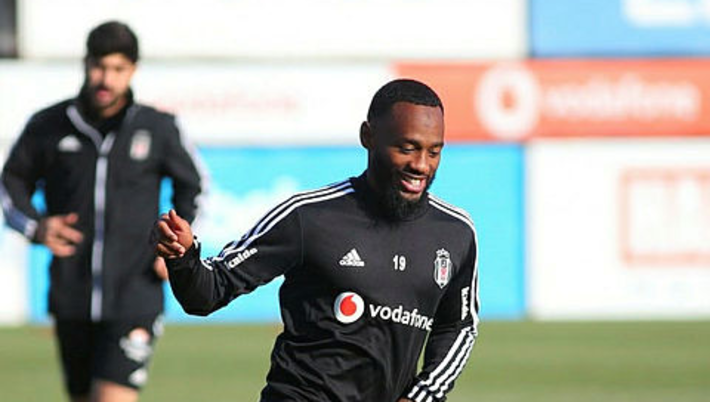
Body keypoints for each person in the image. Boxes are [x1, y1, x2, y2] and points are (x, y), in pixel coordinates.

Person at [153, 79, 478, 402]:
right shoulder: (308, 217)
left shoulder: (456, 233)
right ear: (368, 136)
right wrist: (183, 257)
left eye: (434, 152)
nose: (421, 165)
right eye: (407, 148)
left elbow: (458, 327)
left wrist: (424, 395)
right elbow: (208, 292)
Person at [0, 21, 203, 402]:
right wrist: (36, 227)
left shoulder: (158, 127)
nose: (106, 79)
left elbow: (196, 186)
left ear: (133, 70)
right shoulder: (48, 125)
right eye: (99, 66)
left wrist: (179, 246)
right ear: (85, 64)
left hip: (136, 292)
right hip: (70, 295)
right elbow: (10, 183)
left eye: (117, 69)